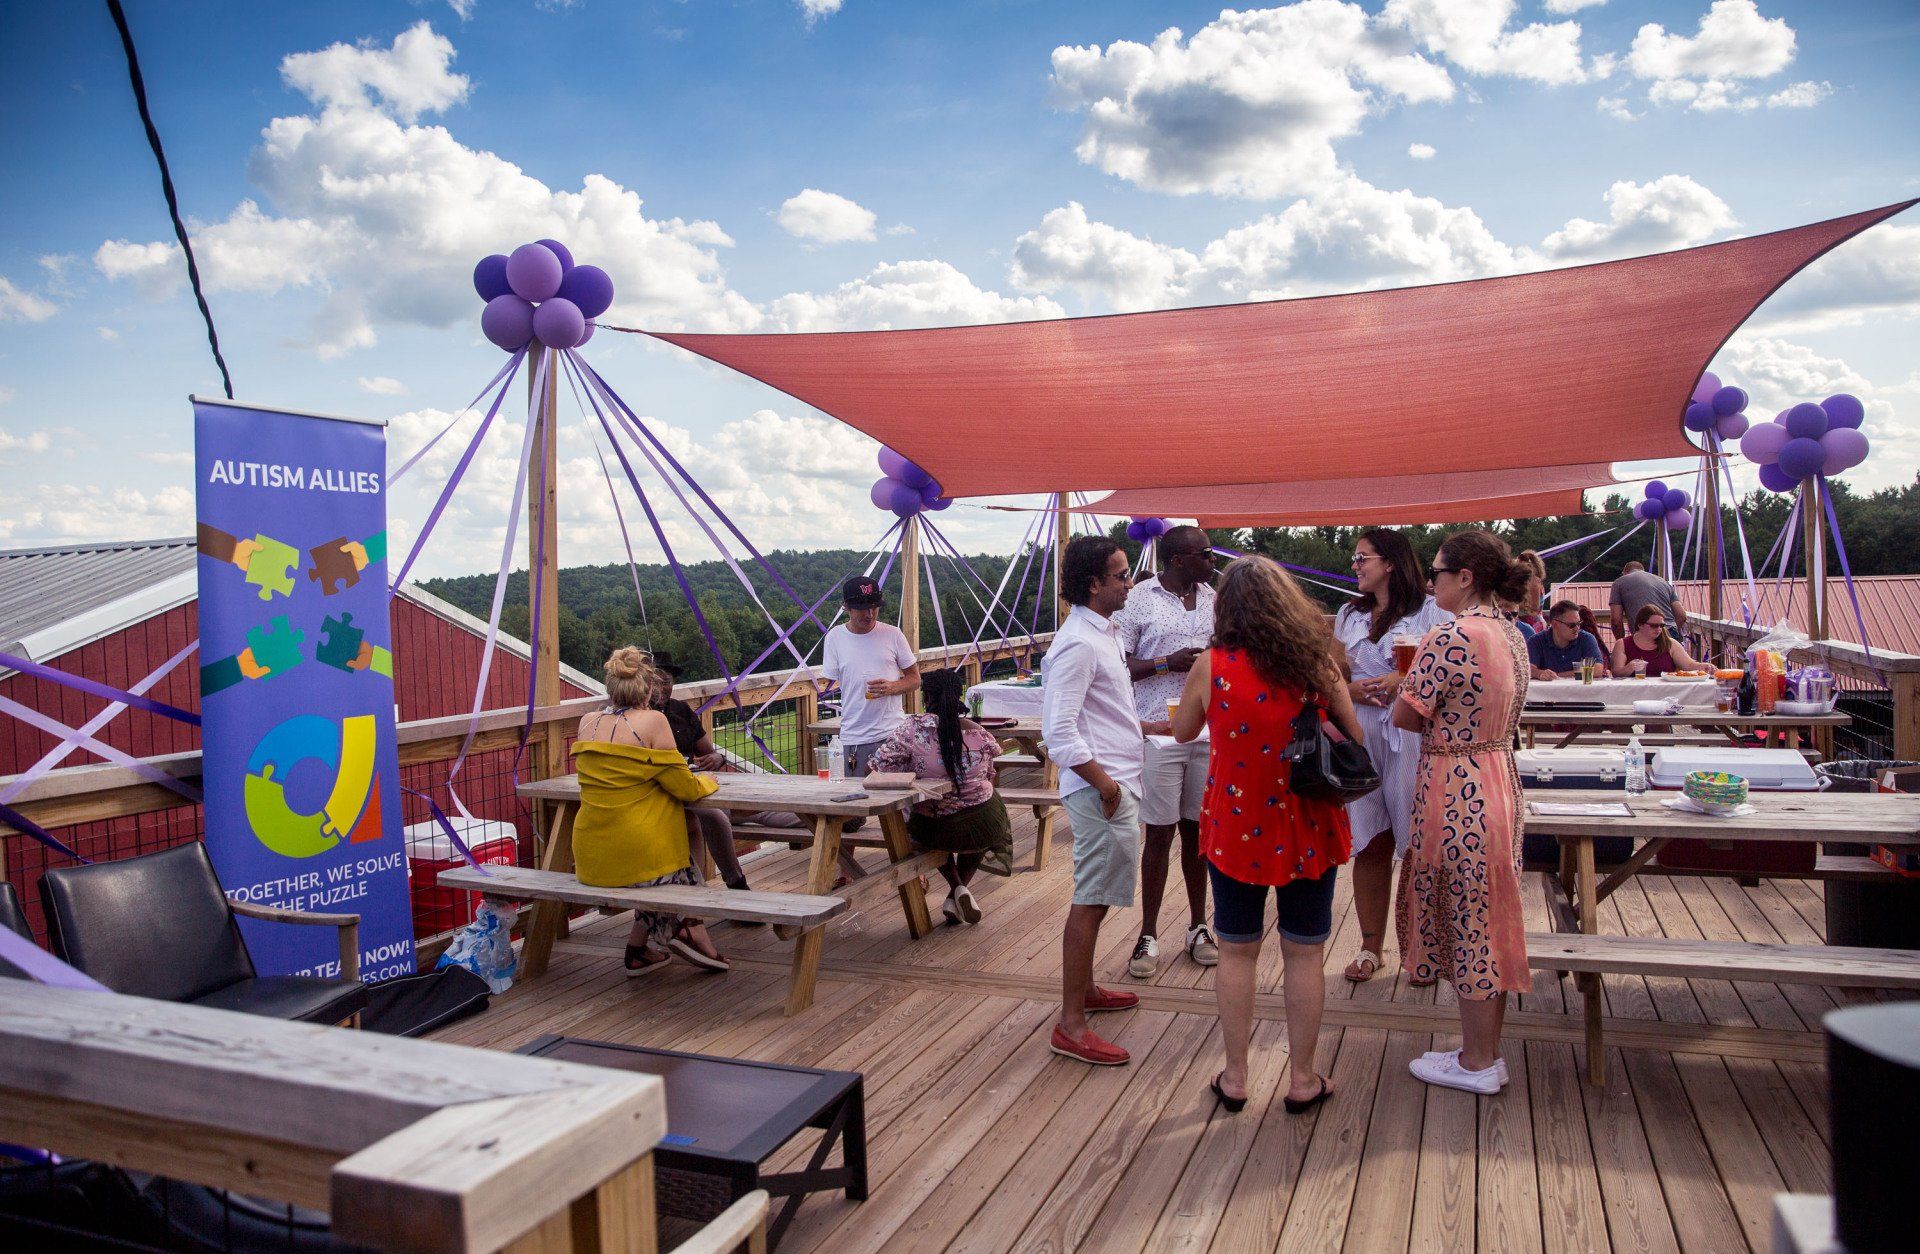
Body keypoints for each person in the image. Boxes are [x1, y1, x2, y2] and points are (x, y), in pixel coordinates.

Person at [1172, 556, 1359, 1115]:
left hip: (1236, 824)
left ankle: (1235, 1078)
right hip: (1306, 822)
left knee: (1236, 951)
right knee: (1304, 954)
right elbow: (1351, 732)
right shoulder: (1315, 663)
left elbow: (1183, 731)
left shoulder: (1213, 664)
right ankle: (1303, 1079)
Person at [1393, 529, 1532, 1094]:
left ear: (1465, 578)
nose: (1431, 582)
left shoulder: (1449, 636)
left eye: (1439, 573)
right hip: (1500, 777)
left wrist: (1397, 688)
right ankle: (1485, 1051)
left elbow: (1407, 715)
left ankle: (1476, 1061)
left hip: (1456, 786)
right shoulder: (1511, 633)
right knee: (1489, 912)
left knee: (1468, 918)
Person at [1042, 535, 1146, 1066]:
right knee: (1091, 898)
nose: (1130, 582)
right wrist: (1106, 785)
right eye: (1122, 574)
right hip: (1102, 790)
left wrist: (1145, 728)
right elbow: (1058, 734)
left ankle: (1084, 992)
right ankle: (1071, 1024)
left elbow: (1102, 714)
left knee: (1100, 894)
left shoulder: (1103, 633)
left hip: (1118, 779)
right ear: (1094, 584)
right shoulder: (1079, 642)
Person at [1332, 528, 1449, 985]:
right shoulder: (1348, 613)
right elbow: (1333, 672)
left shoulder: (1432, 611)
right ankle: (1369, 946)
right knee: (1369, 841)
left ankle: (1423, 949)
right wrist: (1351, 688)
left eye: (1364, 558)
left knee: (1417, 845)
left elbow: (1445, 671)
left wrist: (1405, 680)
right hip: (1361, 732)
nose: (1356, 566)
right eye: (1355, 559)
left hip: (1410, 734)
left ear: (1391, 563)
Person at [572, 647, 731, 977]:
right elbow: (684, 787)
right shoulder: (654, 721)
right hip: (638, 857)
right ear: (648, 688)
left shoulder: (587, 722)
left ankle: (637, 949)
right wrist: (709, 782)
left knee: (660, 865)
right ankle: (690, 925)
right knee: (677, 867)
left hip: (591, 858)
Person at [1113, 524, 1218, 978]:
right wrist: (1165, 663)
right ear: (1178, 560)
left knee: (1199, 834)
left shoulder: (1213, 598)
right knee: (1158, 833)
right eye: (1206, 554)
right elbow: (1119, 665)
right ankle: (1148, 933)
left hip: (1209, 733)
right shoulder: (1138, 599)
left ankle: (1198, 927)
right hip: (1158, 733)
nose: (1213, 561)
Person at [645, 650, 803, 917]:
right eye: (657, 680)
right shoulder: (641, 717)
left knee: (753, 807)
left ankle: (828, 820)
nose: (663, 687)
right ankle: (736, 883)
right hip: (671, 794)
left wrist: (716, 757)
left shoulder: (680, 710)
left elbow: (709, 752)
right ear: (643, 684)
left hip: (698, 785)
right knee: (717, 815)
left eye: (667, 680)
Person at [869, 669, 1016, 923]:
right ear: (958, 696)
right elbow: (990, 773)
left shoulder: (912, 730)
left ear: (927, 698)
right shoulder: (980, 734)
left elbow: (876, 766)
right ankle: (956, 894)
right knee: (987, 811)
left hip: (935, 827)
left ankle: (957, 887)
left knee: (924, 822)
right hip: (984, 824)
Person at [820, 574, 921, 880]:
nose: (869, 614)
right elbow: (835, 681)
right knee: (850, 810)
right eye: (862, 607)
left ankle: (914, 871)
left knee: (902, 808)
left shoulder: (892, 635)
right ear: (846, 608)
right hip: (854, 735)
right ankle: (845, 871)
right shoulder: (835, 638)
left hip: (893, 733)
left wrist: (892, 687)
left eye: (874, 606)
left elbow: (915, 678)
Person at [1610, 604, 1701, 678]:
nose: (1658, 629)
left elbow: (1689, 665)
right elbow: (1616, 673)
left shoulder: (1671, 644)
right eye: (1654, 625)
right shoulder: (1623, 644)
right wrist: (1629, 667)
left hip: (1664, 693)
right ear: (1640, 625)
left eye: (1661, 625)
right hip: (1632, 693)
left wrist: (1704, 666)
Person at [1608, 560, 1686, 644]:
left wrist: (1622, 643)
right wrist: (1669, 631)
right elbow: (1682, 616)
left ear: (1625, 572)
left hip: (1644, 635)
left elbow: (1616, 620)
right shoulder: (1663, 582)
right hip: (1670, 633)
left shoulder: (1619, 583)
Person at [1528, 600, 1607, 679]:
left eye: (1579, 623)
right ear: (1555, 624)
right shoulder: (1536, 641)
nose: (1577, 628)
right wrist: (1540, 673)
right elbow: (1528, 669)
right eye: (1571, 625)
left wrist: (1558, 676)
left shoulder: (1586, 639)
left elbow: (1597, 670)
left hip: (1578, 690)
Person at [1515, 550, 1549, 635]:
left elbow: (1534, 608)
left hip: (1532, 624)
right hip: (1524, 622)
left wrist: (1516, 605)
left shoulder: (1534, 581)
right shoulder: (1525, 581)